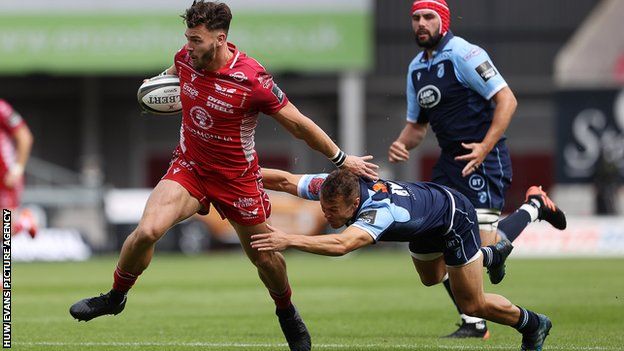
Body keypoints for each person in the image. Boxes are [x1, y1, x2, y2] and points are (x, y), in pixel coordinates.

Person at [68, 3, 378, 351]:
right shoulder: (185, 59)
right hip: (190, 168)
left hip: (237, 180)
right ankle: (115, 296)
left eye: (196, 40)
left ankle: (286, 310)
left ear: (220, 39)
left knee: (264, 256)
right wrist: (154, 85)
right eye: (187, 38)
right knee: (148, 230)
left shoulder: (252, 79)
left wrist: (340, 157)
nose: (189, 46)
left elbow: (298, 124)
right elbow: (171, 78)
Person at [252, 169, 566, 351]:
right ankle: (489, 254)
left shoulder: (378, 210)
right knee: (430, 278)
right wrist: (236, 172)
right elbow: (286, 181)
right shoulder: (335, 185)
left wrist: (288, 239)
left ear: (356, 203)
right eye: (325, 208)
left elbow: (342, 245)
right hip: (425, 219)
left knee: (472, 304)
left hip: (452, 217)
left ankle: (534, 324)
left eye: (334, 211)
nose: (326, 214)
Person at [387, 0, 518, 338]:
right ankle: (475, 323)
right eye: (415, 18)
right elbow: (417, 126)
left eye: (428, 17)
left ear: (443, 21)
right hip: (449, 163)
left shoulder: (464, 53)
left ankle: (533, 210)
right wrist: (402, 143)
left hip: (484, 158)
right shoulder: (417, 67)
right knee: (433, 262)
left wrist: (485, 146)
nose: (421, 24)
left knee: (474, 254)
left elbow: (507, 99)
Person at [0, 99, 37, 238]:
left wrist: (17, 168)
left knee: (5, 229)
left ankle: (24, 222)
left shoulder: (2, 108)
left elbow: (24, 136)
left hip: (5, 175)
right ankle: (23, 222)